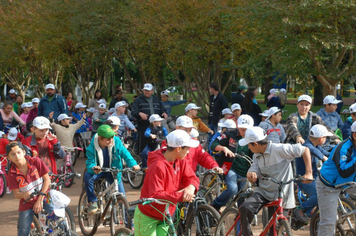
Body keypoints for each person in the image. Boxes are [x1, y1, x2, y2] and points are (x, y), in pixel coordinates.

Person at [238, 126, 313, 236]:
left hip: (282, 195)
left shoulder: (279, 149)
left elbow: (304, 149)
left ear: (255, 143)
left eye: (249, 144)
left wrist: (309, 173)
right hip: (263, 192)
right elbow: (254, 168)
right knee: (245, 208)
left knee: (274, 231)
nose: (248, 147)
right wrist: (252, 174)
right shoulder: (256, 155)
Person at [134, 130, 200, 235]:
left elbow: (192, 177)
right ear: (178, 148)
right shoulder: (157, 165)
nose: (188, 152)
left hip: (166, 214)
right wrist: (180, 196)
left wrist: (191, 187)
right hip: (148, 214)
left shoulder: (180, 160)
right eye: (187, 149)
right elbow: (155, 194)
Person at [84, 125, 140, 214]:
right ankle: (93, 201)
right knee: (88, 177)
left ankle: (127, 221)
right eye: (107, 139)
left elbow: (125, 153)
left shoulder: (116, 141)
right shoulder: (92, 146)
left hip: (113, 171)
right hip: (99, 171)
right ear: (99, 138)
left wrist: (133, 164)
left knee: (122, 196)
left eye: (111, 137)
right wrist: (94, 168)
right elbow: (90, 161)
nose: (110, 141)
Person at [317, 121, 356, 236]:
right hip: (328, 185)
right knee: (328, 223)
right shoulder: (343, 148)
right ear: (355, 135)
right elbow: (344, 171)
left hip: (348, 182)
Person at [7, 141, 52, 236]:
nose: (17, 156)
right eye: (13, 154)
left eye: (18, 152)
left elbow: (47, 180)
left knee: (57, 217)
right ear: (9, 157)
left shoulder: (35, 161)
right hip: (26, 203)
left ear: (23, 152)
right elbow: (16, 194)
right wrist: (23, 194)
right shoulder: (11, 173)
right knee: (24, 229)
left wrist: (39, 200)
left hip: (44, 197)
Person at [211, 115, 254, 212]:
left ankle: (240, 222)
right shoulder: (230, 133)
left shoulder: (254, 137)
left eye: (247, 130)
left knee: (242, 200)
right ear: (238, 126)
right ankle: (215, 205)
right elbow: (213, 145)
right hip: (230, 168)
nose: (244, 133)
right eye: (242, 130)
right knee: (233, 189)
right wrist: (223, 148)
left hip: (246, 172)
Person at [295, 124, 331, 223]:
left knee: (327, 190)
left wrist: (340, 151)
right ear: (320, 138)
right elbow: (311, 150)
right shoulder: (306, 146)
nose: (326, 139)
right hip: (305, 180)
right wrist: (323, 158)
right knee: (318, 194)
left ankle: (315, 214)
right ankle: (301, 209)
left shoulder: (317, 146)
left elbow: (328, 153)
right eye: (325, 137)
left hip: (316, 178)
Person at [131, 83, 168, 153]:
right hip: (143, 125)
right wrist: (139, 113)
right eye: (145, 90)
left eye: (148, 90)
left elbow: (162, 109)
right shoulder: (138, 100)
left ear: (152, 91)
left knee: (157, 143)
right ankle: (141, 160)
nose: (146, 92)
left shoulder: (156, 99)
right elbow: (133, 111)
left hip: (156, 125)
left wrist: (164, 113)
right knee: (143, 144)